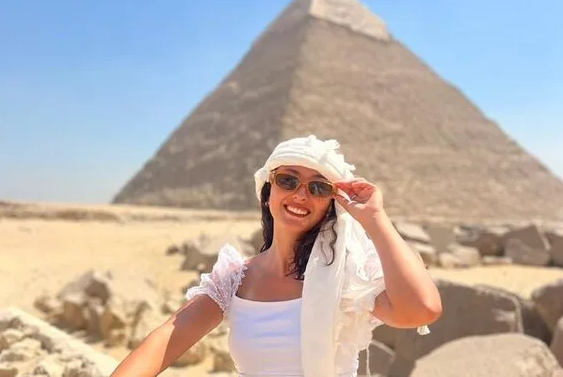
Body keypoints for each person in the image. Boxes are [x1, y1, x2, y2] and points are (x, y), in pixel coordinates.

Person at [110, 135, 442, 377]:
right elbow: (166, 338)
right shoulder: (234, 278)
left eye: (319, 187)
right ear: (268, 192)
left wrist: (375, 218)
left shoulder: (348, 276)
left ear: (331, 204)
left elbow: (421, 310)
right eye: (287, 180)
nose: (300, 194)